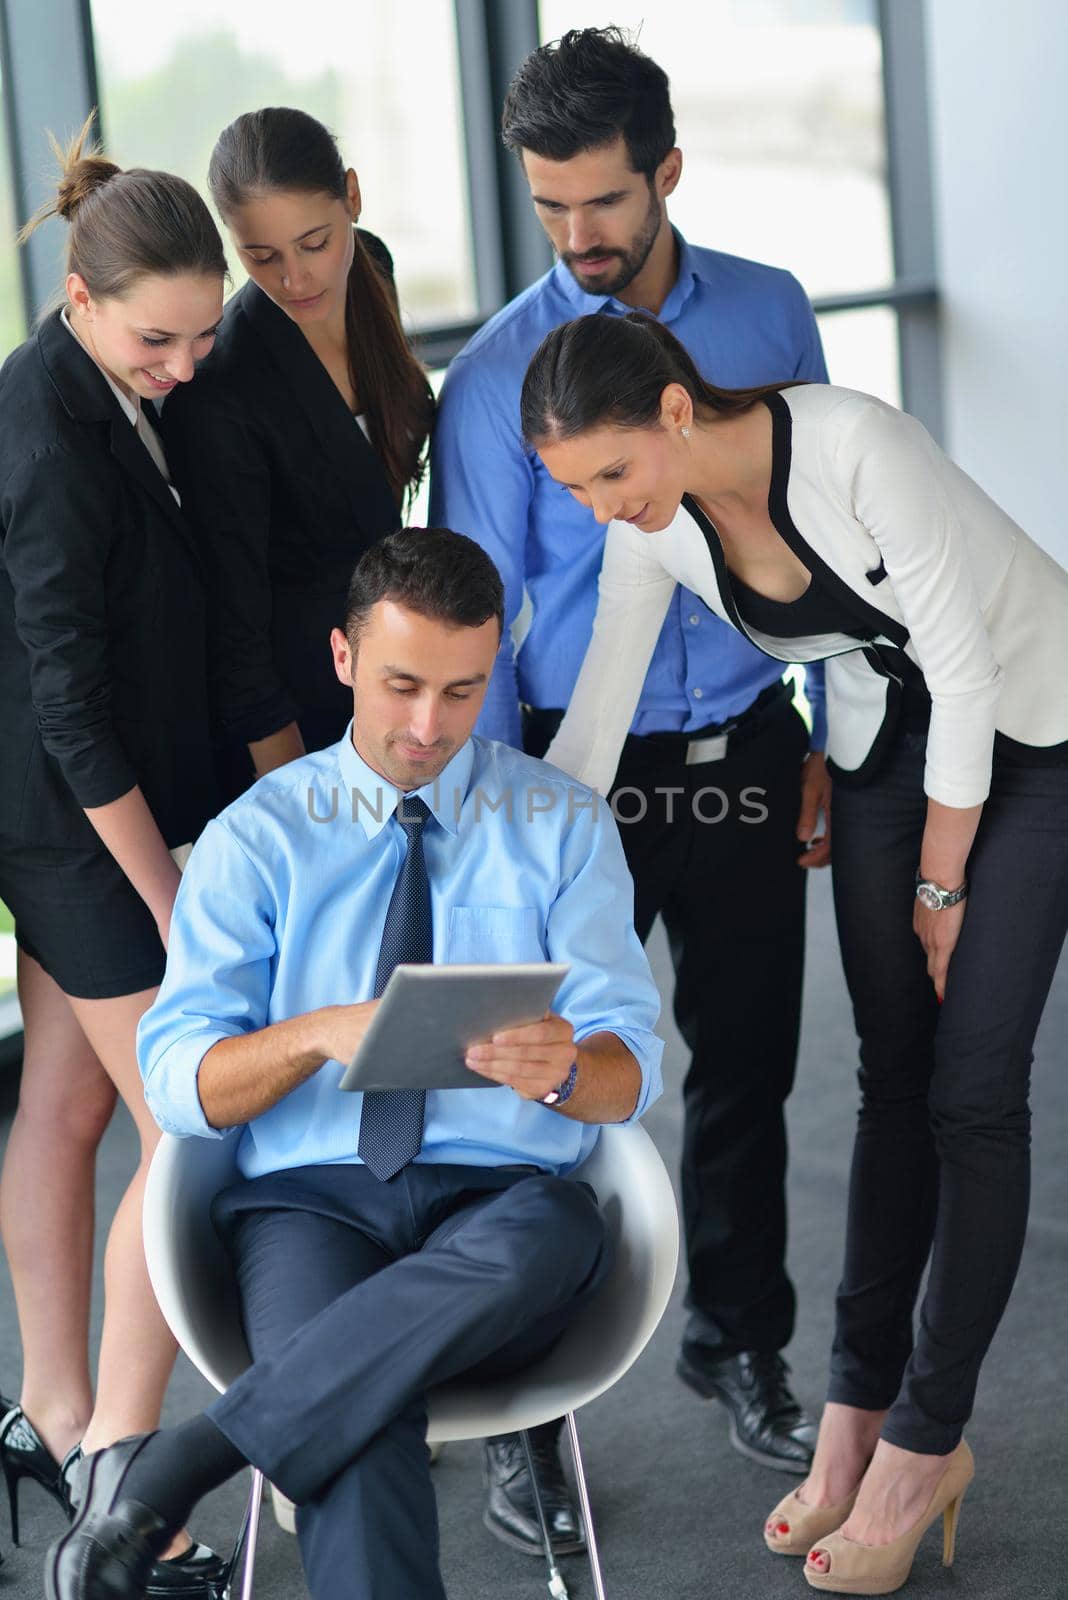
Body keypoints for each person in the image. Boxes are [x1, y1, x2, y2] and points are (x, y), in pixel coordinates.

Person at [520, 309, 1068, 1594]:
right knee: (891, 1078)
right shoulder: (657, 532)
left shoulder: (855, 442)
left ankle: (929, 1440)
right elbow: (601, 711)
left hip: (1032, 735)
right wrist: (520, 868)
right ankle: (853, 1421)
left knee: (972, 1092)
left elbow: (971, 672)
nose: (603, 510)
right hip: (889, 745)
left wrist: (945, 884)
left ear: (670, 410)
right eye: (574, 490)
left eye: (609, 475)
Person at [44, 528, 664, 1600]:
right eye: (402, 685)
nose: (429, 727)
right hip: (309, 1210)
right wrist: (318, 1034)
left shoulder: (559, 821)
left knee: (559, 1229)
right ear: (342, 658)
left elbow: (632, 1070)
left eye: (463, 692)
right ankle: (223, 1444)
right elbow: (181, 1082)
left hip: (503, 1205)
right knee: (358, 1418)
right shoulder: (257, 837)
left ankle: (192, 1455)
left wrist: (566, 1069)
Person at [430, 24, 829, 1550]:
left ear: (666, 171)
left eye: (601, 202)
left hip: (748, 747)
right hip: (567, 775)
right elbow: (475, 613)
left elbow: (817, 543)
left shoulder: (777, 313)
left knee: (746, 1073)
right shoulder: (492, 382)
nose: (577, 238)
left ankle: (743, 1345)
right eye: (548, 211)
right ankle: (531, 1402)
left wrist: (819, 732)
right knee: (550, 1094)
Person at [0, 118, 234, 1594]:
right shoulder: (49, 436)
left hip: (54, 809)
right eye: (161, 341)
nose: (188, 366)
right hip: (76, 824)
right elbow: (74, 707)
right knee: (190, 1130)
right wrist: (173, 895)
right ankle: (123, 1508)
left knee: (69, 1105)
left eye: (205, 337)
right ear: (84, 303)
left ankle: (52, 1409)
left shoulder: (95, 379)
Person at [162, 106, 434, 797]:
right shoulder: (221, 388)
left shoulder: (373, 265)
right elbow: (238, 627)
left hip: (398, 677)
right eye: (260, 257)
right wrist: (298, 797)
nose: (295, 279)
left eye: (315, 243)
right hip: (302, 717)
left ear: (352, 195)